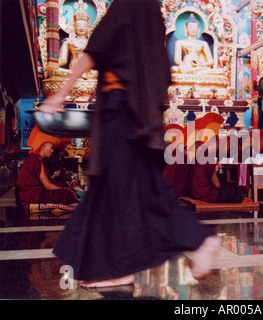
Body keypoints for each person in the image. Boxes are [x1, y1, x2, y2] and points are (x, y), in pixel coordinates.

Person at [39, 0, 221, 288]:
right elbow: (159, 69)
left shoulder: (129, 4)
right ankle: (120, 267)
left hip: (121, 112)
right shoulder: (151, 12)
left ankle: (198, 239)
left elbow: (95, 50)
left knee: (125, 189)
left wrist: (62, 91)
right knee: (126, 190)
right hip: (139, 112)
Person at [16, 127, 78, 206]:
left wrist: (63, 186)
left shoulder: (37, 159)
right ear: (43, 147)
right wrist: (65, 189)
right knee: (66, 194)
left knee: (64, 187)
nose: (52, 151)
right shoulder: (35, 160)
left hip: (33, 193)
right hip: (32, 195)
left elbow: (47, 182)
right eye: (51, 148)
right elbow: (47, 185)